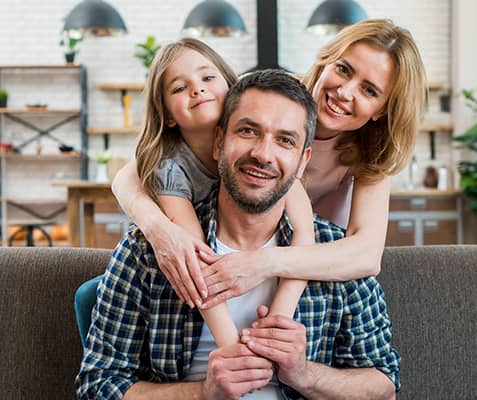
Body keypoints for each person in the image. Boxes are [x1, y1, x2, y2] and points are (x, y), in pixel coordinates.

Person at [76, 69, 400, 400]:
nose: (263, 154)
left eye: (285, 140)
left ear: (303, 162)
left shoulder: (334, 256)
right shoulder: (151, 251)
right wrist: (203, 393)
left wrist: (304, 375)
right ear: (219, 142)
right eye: (248, 131)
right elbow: (96, 387)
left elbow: (385, 387)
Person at [111, 19, 427, 310]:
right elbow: (134, 174)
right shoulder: (269, 95)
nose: (344, 92)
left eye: (369, 90)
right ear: (325, 60)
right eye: (343, 69)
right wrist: (159, 230)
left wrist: (261, 263)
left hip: (304, 272)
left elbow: (366, 255)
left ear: (383, 110)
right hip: (222, 251)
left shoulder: (373, 152)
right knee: (102, 292)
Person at [117, 38, 314, 348]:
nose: (197, 89)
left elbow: (305, 235)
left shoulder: (268, 159)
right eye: (179, 88)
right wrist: (234, 349)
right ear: (167, 114)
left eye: (207, 78)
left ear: (230, 86)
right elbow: (197, 257)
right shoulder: (170, 169)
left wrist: (280, 316)